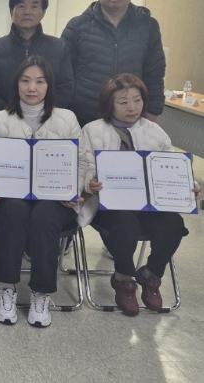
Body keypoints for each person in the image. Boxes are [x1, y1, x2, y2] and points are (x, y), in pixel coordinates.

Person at [79, 74, 197, 316]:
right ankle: (123, 279)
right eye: (123, 102)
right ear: (109, 104)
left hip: (149, 205)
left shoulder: (154, 132)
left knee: (174, 224)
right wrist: (90, 181)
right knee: (125, 224)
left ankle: (151, 275)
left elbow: (171, 165)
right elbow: (82, 166)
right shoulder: (93, 130)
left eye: (137, 100)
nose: (132, 107)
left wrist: (189, 185)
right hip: (107, 205)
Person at [0, 56, 82, 328]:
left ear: (49, 86)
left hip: (54, 199)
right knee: (14, 212)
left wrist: (74, 190)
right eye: (25, 81)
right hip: (10, 197)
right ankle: (7, 288)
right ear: (16, 84)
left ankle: (41, 293)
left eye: (40, 81)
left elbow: (81, 162)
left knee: (44, 217)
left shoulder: (67, 119)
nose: (32, 88)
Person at [62, 0, 166, 127]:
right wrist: (64, 109)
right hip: (85, 113)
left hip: (131, 114)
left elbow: (155, 71)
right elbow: (64, 72)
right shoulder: (77, 26)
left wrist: (153, 110)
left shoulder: (147, 26)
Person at [0, 0, 74, 117]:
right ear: (11, 11)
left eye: (34, 6)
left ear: (43, 12)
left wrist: (42, 115)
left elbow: (65, 88)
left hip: (48, 121)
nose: (27, 12)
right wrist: (11, 115)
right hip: (4, 122)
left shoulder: (59, 48)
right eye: (21, 6)